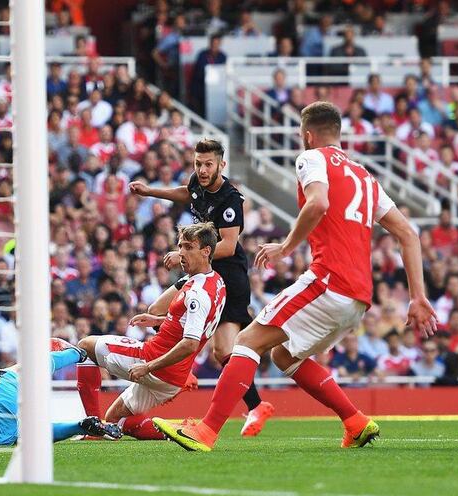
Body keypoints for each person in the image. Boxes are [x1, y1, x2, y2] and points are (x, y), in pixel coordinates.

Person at [154, 101, 437, 451]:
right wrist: (418, 296)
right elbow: (408, 234)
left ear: (307, 135)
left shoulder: (312, 158)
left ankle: (206, 430)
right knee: (284, 355)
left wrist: (285, 247)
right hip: (358, 296)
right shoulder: (365, 176)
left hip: (328, 281)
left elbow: (317, 203)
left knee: (246, 342)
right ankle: (355, 421)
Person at [129, 139, 275, 437]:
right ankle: (181, 370)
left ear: (222, 164)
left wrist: (184, 254)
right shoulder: (198, 181)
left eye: (208, 164)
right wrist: (150, 191)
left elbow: (229, 245)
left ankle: (256, 405)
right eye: (198, 163)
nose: (202, 169)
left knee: (224, 349)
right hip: (201, 272)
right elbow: (188, 194)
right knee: (157, 310)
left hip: (227, 278)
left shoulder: (230, 199)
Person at [75, 223, 225, 440]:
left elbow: (191, 343)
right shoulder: (217, 282)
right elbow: (197, 326)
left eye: (189, 247)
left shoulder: (197, 293)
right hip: (174, 379)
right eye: (180, 246)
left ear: (206, 251)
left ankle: (94, 430)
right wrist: (160, 319)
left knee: (85, 346)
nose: (181, 253)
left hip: (154, 361)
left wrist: (148, 367)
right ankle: (173, 431)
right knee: (115, 417)